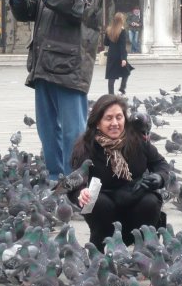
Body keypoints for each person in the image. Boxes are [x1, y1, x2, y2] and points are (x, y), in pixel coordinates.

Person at [9, 0, 103, 181]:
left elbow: (78, 10)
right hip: (43, 66)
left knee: (73, 131)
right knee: (47, 130)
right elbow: (29, 13)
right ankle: (55, 178)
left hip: (70, 67)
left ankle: (75, 180)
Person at [70, 94, 169, 252]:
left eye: (119, 117)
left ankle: (144, 246)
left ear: (125, 119)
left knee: (150, 200)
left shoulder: (137, 140)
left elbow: (160, 164)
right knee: (96, 202)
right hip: (103, 205)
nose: (115, 123)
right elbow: (75, 181)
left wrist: (159, 177)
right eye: (108, 118)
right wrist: (81, 193)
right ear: (97, 123)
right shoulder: (86, 147)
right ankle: (99, 247)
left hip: (134, 198)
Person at [104, 12, 131, 95]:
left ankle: (111, 94)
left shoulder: (109, 29)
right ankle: (122, 89)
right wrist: (123, 58)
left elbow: (106, 43)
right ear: (121, 20)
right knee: (126, 71)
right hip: (119, 55)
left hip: (111, 55)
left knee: (111, 76)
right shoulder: (122, 31)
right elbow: (122, 46)